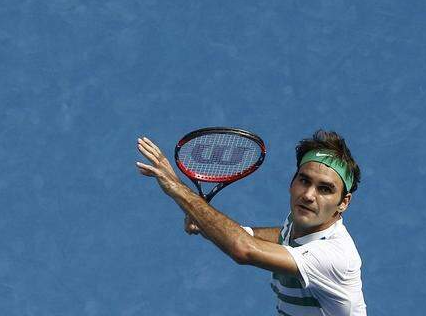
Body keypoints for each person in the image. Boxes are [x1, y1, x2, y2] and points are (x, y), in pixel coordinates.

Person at [136, 130, 367, 315]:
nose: (308, 195)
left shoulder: (335, 256)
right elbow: (282, 236)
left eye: (325, 189)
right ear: (292, 181)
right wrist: (210, 225)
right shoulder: (303, 222)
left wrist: (178, 189)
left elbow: (243, 249)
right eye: (304, 180)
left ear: (343, 202)